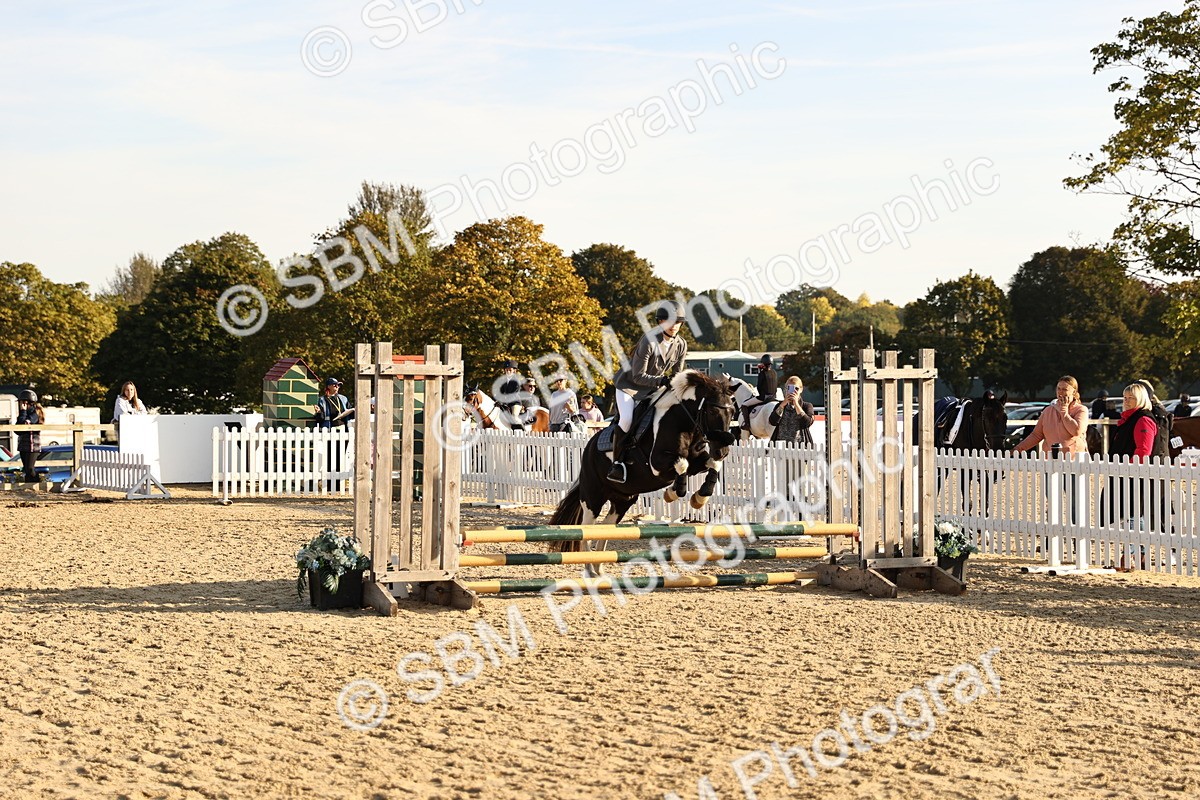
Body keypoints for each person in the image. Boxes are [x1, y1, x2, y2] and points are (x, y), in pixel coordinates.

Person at [607, 303, 688, 482]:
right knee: (627, 420)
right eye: (670, 321)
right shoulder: (649, 340)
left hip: (652, 388)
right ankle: (617, 464)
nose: (674, 326)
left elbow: (677, 374)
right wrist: (661, 381)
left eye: (678, 322)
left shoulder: (681, 344)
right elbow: (637, 376)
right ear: (660, 322)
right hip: (628, 386)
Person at [1103, 382, 1158, 531]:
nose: (1126, 401)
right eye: (1125, 397)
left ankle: (1137, 551)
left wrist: (1129, 470)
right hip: (1123, 473)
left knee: (1135, 514)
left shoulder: (1143, 420)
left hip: (1134, 475)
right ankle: (1133, 551)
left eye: (1131, 398)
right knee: (1128, 513)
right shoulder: (1128, 419)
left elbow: (1143, 450)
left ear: (1140, 399)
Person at [1012, 375, 1089, 455]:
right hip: (1050, 461)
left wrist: (1064, 413)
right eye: (1058, 389)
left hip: (1075, 461)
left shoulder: (1081, 410)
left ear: (1074, 392)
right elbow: (1036, 435)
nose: (1060, 392)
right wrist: (1017, 449)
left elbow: (1076, 431)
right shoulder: (1048, 411)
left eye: (1064, 389)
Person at [768, 376, 815, 445]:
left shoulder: (806, 406)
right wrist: (783, 404)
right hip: (780, 445)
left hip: (800, 446)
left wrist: (796, 404)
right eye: (789, 388)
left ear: (801, 390)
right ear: (786, 389)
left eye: (796, 388)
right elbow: (772, 421)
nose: (793, 391)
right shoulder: (780, 405)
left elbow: (807, 423)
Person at [16, 388, 44, 483]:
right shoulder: (23, 413)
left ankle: (36, 485)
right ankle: (28, 486)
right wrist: (22, 413)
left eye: (21, 402)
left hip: (32, 445)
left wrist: (23, 412)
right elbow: (17, 429)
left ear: (26, 402)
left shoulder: (34, 413)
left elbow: (25, 424)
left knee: (30, 468)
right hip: (23, 445)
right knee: (26, 469)